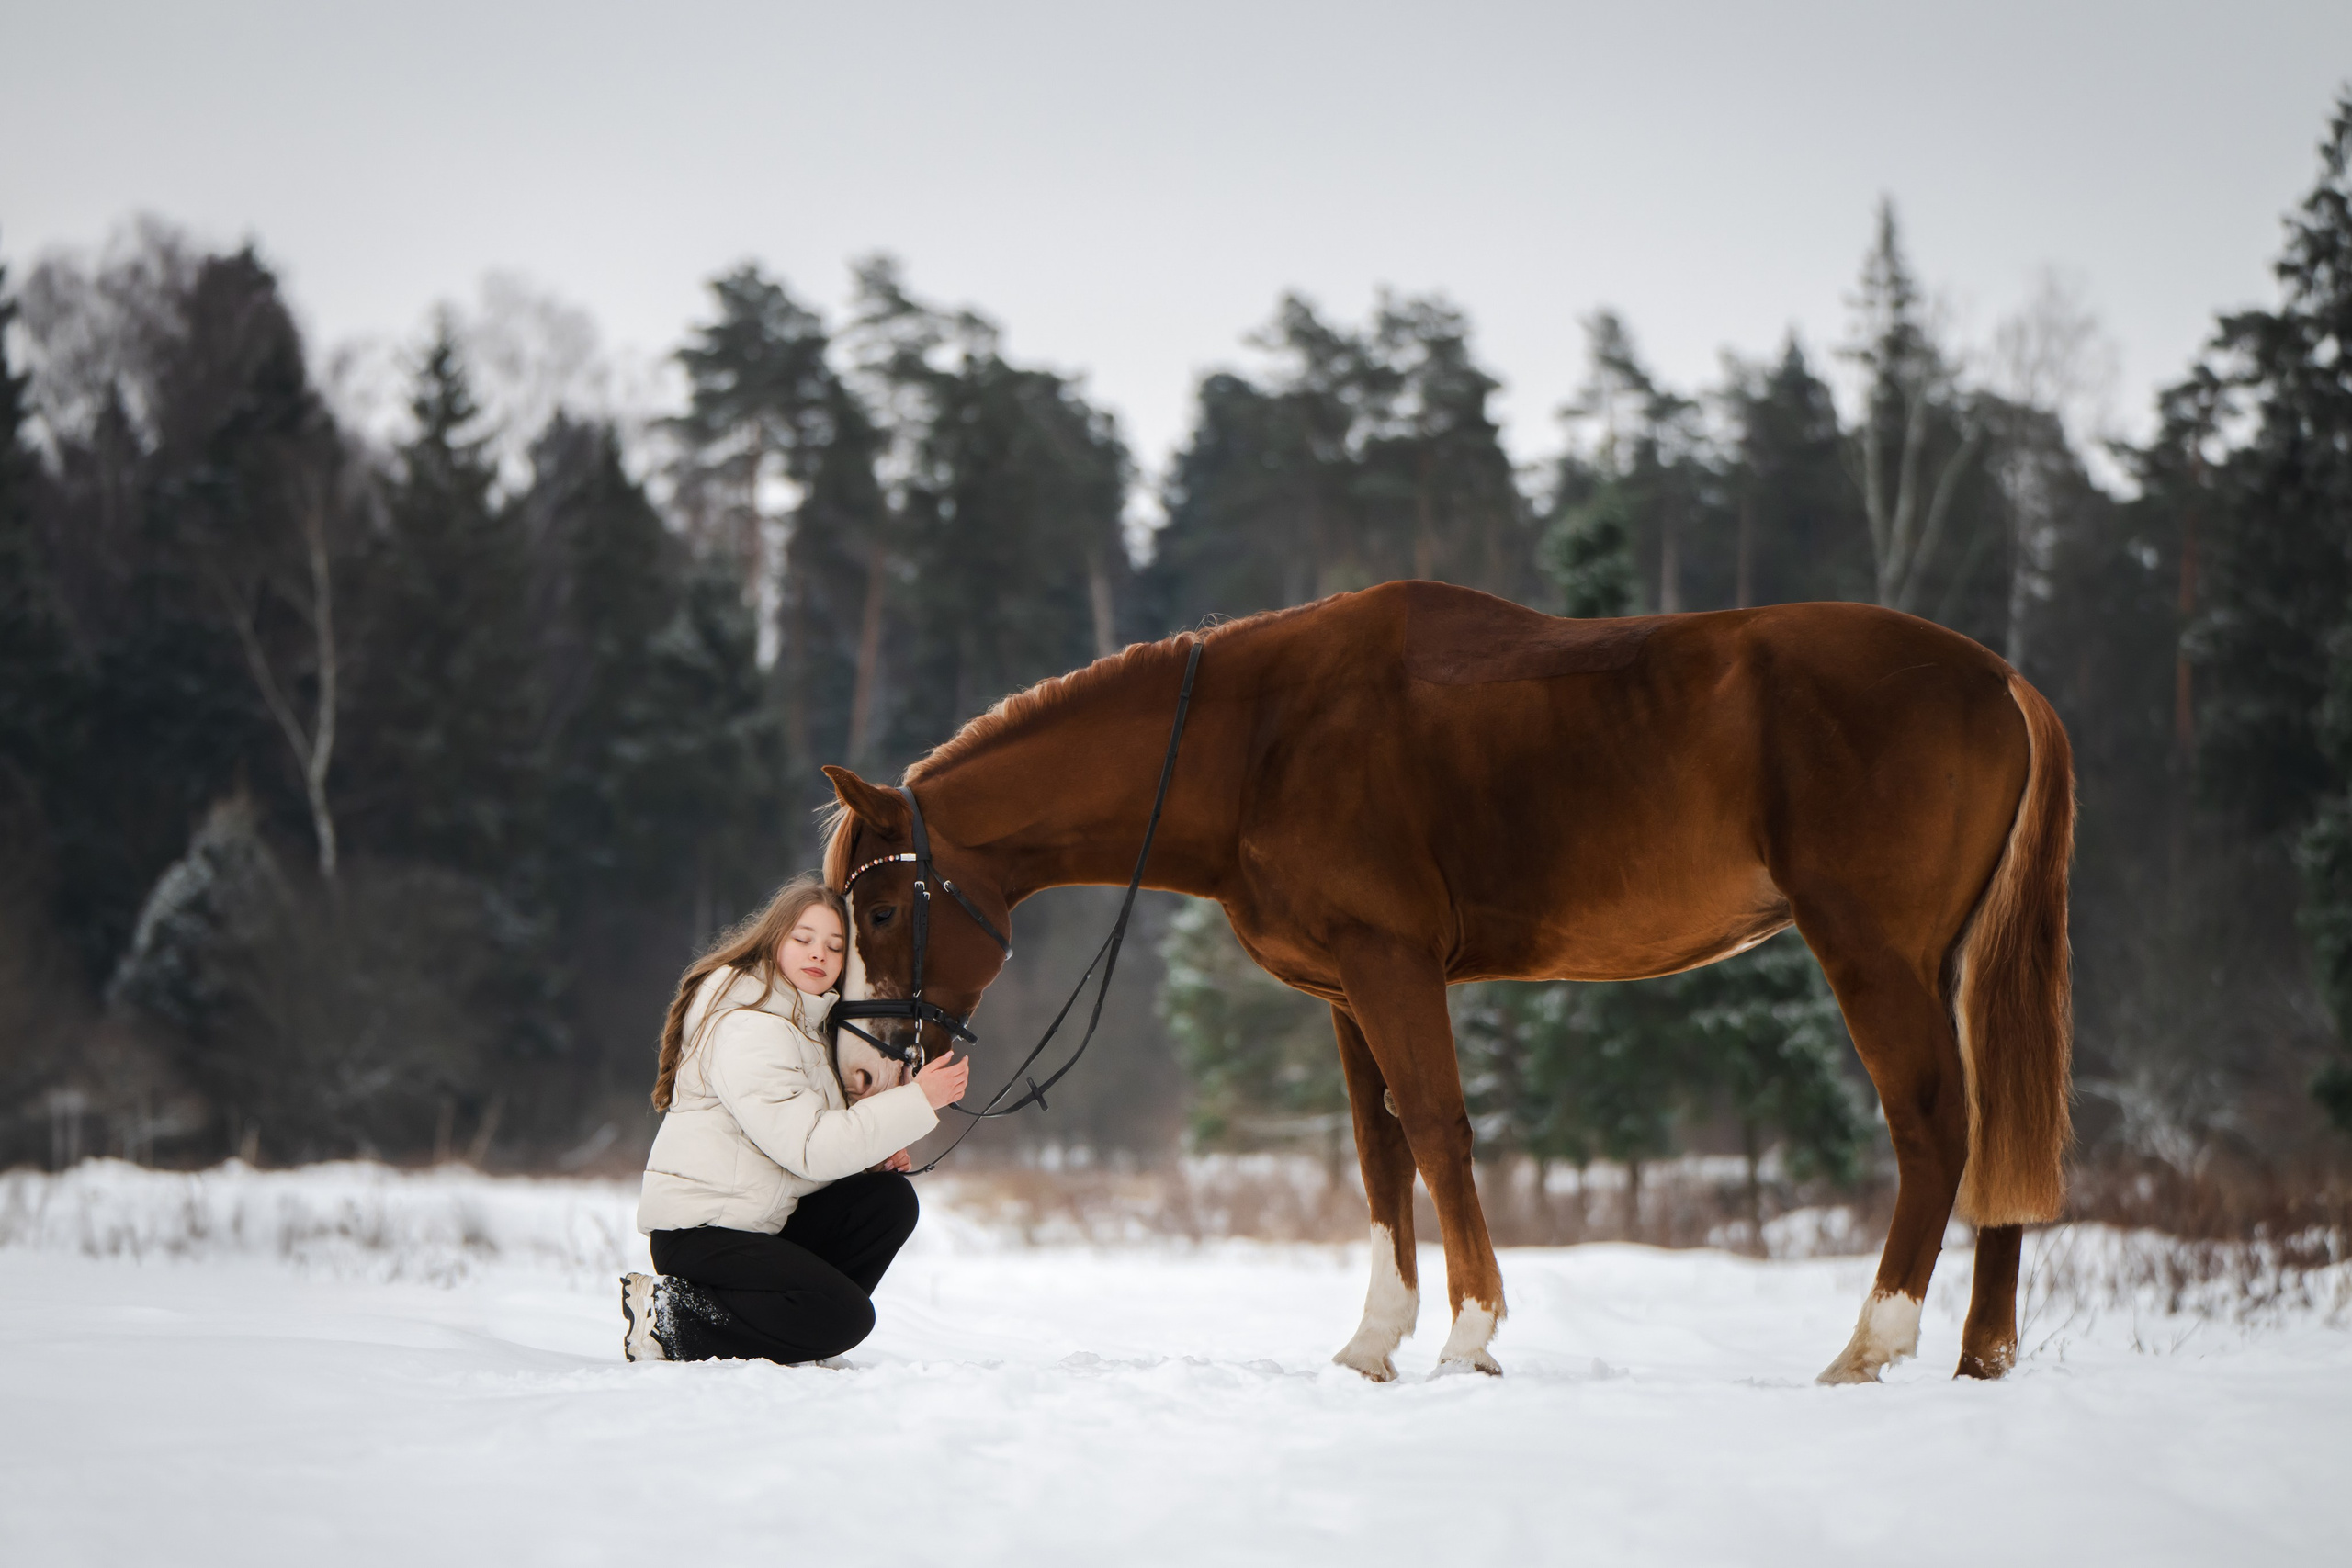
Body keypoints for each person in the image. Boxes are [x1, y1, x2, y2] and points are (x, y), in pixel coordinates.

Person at [619, 873, 969, 1364]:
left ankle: (793, 1332)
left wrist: (869, 1159)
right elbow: (807, 1149)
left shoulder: (804, 1029)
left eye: (834, 946)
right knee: (847, 1318)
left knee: (885, 1201)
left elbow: (799, 1151)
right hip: (704, 1234)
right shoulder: (749, 1026)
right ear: (772, 943)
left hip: (757, 1224)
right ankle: (672, 1319)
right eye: (803, 939)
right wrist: (917, 1103)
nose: (818, 955)